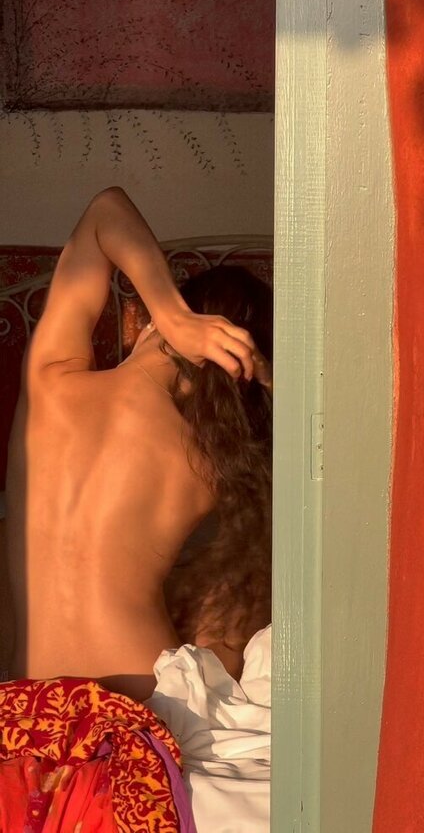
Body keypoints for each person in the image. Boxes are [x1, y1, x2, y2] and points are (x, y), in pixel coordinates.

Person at [4, 186, 273, 705]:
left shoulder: (49, 382)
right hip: (136, 710)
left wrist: (173, 314)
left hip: (29, 713)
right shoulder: (212, 467)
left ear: (150, 324)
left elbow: (104, 211)